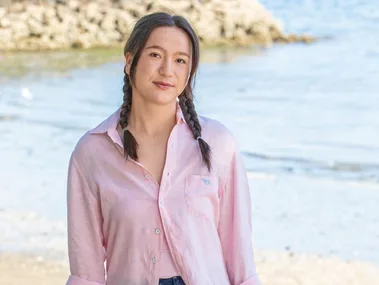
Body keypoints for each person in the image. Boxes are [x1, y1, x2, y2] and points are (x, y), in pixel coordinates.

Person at [65, 12, 261, 285]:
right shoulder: (92, 153)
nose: (167, 70)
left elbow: (239, 255)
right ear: (130, 60)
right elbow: (86, 272)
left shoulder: (218, 143)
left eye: (180, 60)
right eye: (155, 55)